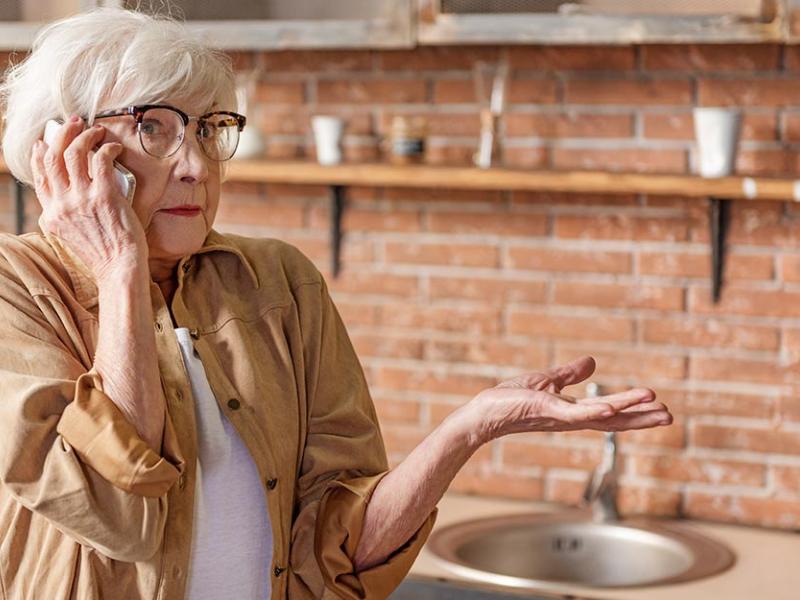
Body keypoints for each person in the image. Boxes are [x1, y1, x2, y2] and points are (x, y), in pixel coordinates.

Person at [0, 8, 673, 600]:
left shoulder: (280, 282)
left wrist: (469, 428)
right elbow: (118, 516)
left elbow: (339, 553)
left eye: (209, 129)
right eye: (155, 127)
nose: (197, 165)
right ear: (64, 149)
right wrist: (119, 269)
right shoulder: (15, 292)